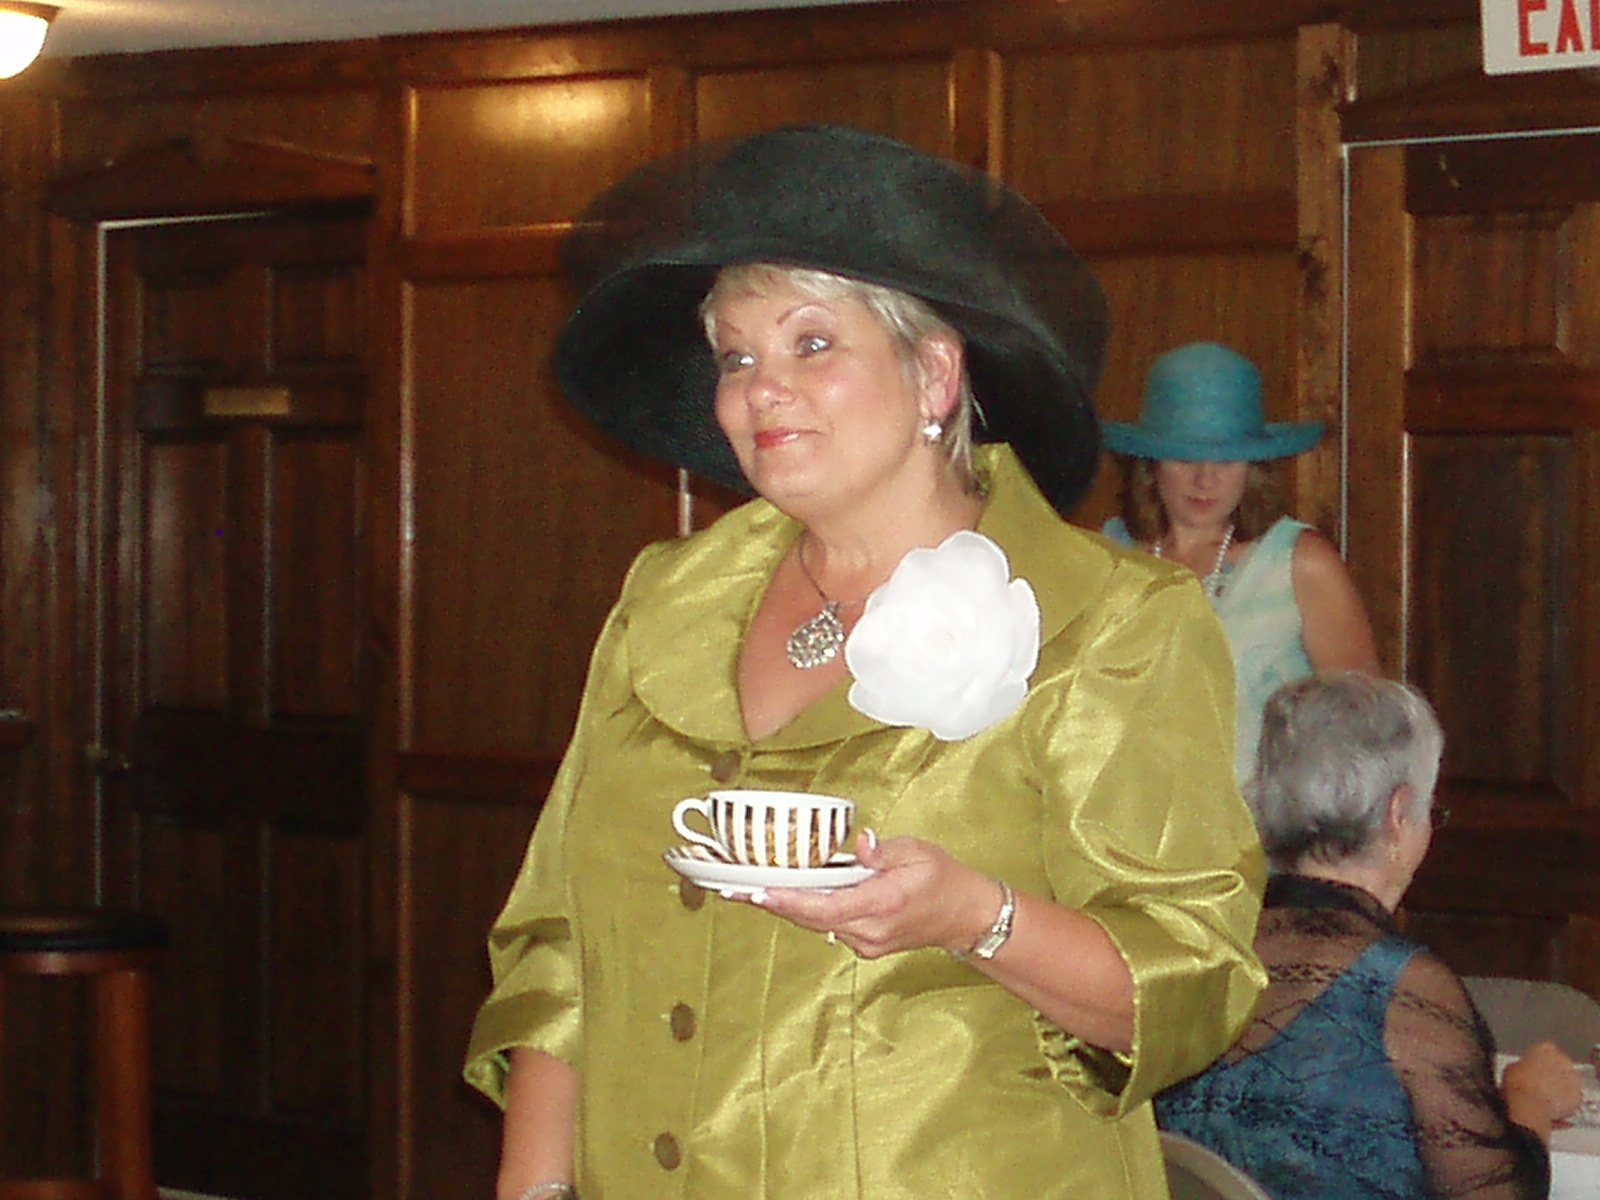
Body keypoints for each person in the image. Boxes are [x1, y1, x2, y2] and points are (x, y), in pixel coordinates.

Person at [462, 123, 1267, 1200]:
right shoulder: (663, 603)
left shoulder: (1115, 624)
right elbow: (563, 942)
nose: (761, 388)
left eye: (811, 343)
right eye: (736, 356)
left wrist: (974, 918)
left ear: (933, 373)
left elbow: (1193, 980)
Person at [1155, 673, 1582, 1199]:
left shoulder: (1195, 951)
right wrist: (1532, 1099)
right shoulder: (1406, 988)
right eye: (1430, 811)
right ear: (1398, 814)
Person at [1099, 341, 1378, 781]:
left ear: (1253, 466)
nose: (1205, 479)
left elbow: (1367, 729)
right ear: (1150, 463)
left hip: (1269, 820)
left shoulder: (1302, 563)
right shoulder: (1107, 555)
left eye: (1227, 458)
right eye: (1185, 456)